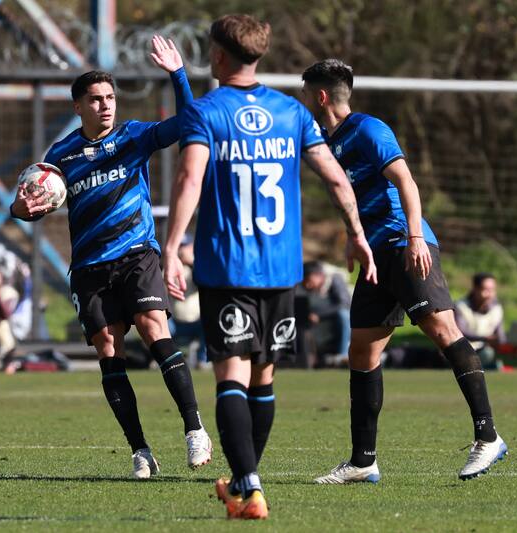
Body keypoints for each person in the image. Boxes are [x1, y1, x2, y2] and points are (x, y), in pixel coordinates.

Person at [163, 16, 376, 519]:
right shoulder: (292, 113)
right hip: (282, 271)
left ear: (217, 56)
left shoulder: (205, 112)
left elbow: (190, 178)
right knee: (264, 378)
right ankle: (242, 483)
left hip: (227, 268)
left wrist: (172, 245)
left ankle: (250, 486)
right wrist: (357, 234)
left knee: (230, 378)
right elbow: (339, 181)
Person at [10, 35, 212, 478]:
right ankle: (140, 450)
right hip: (89, 266)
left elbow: (187, 124)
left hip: (137, 253)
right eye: (95, 99)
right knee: (108, 348)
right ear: (77, 107)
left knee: (154, 327)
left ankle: (194, 428)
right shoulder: (59, 157)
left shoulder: (133, 136)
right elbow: (35, 203)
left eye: (110, 98)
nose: (105, 105)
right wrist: (18, 210)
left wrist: (178, 74)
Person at [301, 59, 507, 483]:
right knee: (362, 350)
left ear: (320, 96)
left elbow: (406, 182)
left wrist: (415, 238)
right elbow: (353, 196)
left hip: (403, 244)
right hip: (375, 254)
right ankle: (363, 461)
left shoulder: (369, 129)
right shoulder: (326, 139)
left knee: (443, 332)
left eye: (306, 94)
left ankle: (488, 437)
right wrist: (353, 238)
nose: (304, 102)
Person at [297, 260, 351, 368]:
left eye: (309, 280)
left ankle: (343, 355)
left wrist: (319, 315)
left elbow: (343, 304)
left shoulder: (335, 280)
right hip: (318, 323)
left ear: (319, 276)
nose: (307, 285)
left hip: (341, 319)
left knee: (343, 315)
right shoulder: (304, 288)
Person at [454, 273, 506, 370]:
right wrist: (484, 339)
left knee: (488, 352)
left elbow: (500, 337)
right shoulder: (461, 307)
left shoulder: (497, 309)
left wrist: (511, 346)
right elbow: (459, 333)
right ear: (475, 289)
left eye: (492, 290)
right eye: (485, 290)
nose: (489, 294)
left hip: (485, 350)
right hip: (463, 351)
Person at [169, 238, 207, 368]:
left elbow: (201, 282)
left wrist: (191, 263)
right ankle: (164, 360)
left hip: (196, 321)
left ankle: (203, 360)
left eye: (184, 246)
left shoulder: (197, 267)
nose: (182, 250)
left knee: (208, 323)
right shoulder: (169, 268)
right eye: (180, 246)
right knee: (158, 325)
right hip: (175, 322)